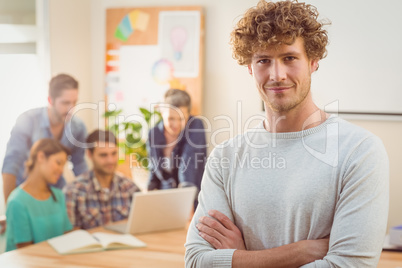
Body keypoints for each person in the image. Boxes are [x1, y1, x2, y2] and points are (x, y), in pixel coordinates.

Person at [185, 1, 389, 267]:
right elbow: (196, 260)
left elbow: (349, 265)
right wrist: (301, 252)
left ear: (313, 61)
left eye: (289, 58)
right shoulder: (226, 156)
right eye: (263, 61)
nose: (277, 75)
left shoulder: (360, 151)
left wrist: (241, 258)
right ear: (250, 66)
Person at [2, 73, 88, 202]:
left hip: (56, 194)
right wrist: (11, 207)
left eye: (74, 102)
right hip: (25, 194)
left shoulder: (78, 127)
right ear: (50, 100)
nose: (71, 109)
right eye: (65, 103)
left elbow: (80, 166)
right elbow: (11, 165)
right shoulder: (28, 121)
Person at [63, 129, 140, 229]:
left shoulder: (130, 187)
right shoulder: (74, 191)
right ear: (90, 155)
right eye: (103, 155)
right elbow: (70, 235)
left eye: (114, 153)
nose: (110, 160)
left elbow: (141, 225)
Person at [5, 138, 73, 251]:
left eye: (63, 165)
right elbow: (25, 252)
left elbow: (67, 236)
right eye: (58, 163)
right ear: (41, 157)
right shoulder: (17, 202)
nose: (61, 170)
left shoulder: (58, 195)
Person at [147, 89, 207, 209]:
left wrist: (186, 201)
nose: (176, 124)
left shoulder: (196, 126)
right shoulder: (154, 133)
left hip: (192, 196)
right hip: (165, 198)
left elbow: (189, 163)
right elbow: (154, 168)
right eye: (171, 119)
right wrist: (147, 191)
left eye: (181, 119)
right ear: (161, 113)